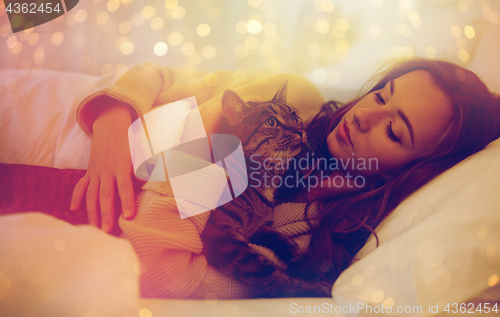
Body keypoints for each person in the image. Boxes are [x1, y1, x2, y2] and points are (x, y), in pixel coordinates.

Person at [67, 58, 500, 298]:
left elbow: (153, 259)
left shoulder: (315, 233)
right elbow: (161, 74)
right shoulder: (294, 99)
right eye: (381, 94)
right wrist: (113, 121)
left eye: (394, 130)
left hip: (69, 202)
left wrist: (208, 132)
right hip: (57, 122)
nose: (365, 115)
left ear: (415, 172)